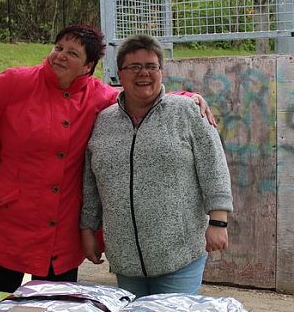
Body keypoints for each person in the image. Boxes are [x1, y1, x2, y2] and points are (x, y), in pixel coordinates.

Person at [0, 24, 213, 292]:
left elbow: (136, 95)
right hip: (4, 225)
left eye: (73, 53)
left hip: (59, 236)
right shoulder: (17, 81)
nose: (60, 55)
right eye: (58, 47)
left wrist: (188, 98)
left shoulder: (96, 95)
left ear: (88, 66)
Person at [80, 34, 233, 297]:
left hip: (179, 253)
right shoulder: (103, 121)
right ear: (120, 73)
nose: (144, 73)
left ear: (161, 71)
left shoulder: (186, 112)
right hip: (125, 257)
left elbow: (214, 165)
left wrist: (218, 222)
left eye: (151, 66)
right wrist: (87, 228)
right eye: (134, 67)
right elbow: (92, 182)